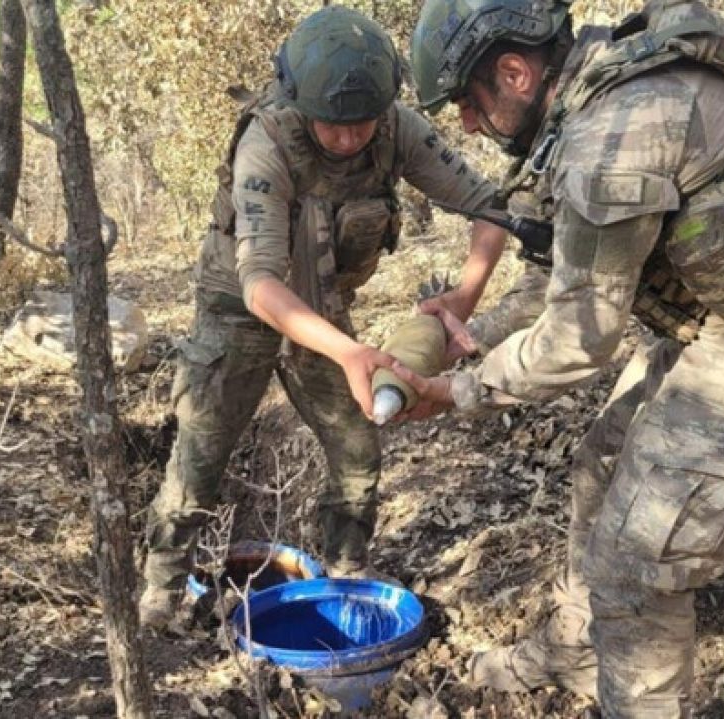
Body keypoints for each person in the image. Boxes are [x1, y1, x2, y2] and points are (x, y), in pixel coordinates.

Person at [401, 0, 724, 715]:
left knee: (637, 564)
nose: (467, 126)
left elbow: (580, 339)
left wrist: (458, 391)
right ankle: (580, 647)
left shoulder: (614, 134)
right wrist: (473, 331)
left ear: (514, 73)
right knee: (603, 461)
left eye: (466, 102)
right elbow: (563, 280)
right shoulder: (594, 92)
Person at [138, 5, 513, 629]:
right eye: (333, 125)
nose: (347, 139)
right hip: (239, 311)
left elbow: (490, 207)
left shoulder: (397, 130)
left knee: (358, 445)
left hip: (325, 310)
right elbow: (259, 283)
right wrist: (348, 351)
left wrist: (463, 300)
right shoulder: (267, 141)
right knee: (201, 455)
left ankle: (345, 569)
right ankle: (162, 588)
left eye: (361, 124)